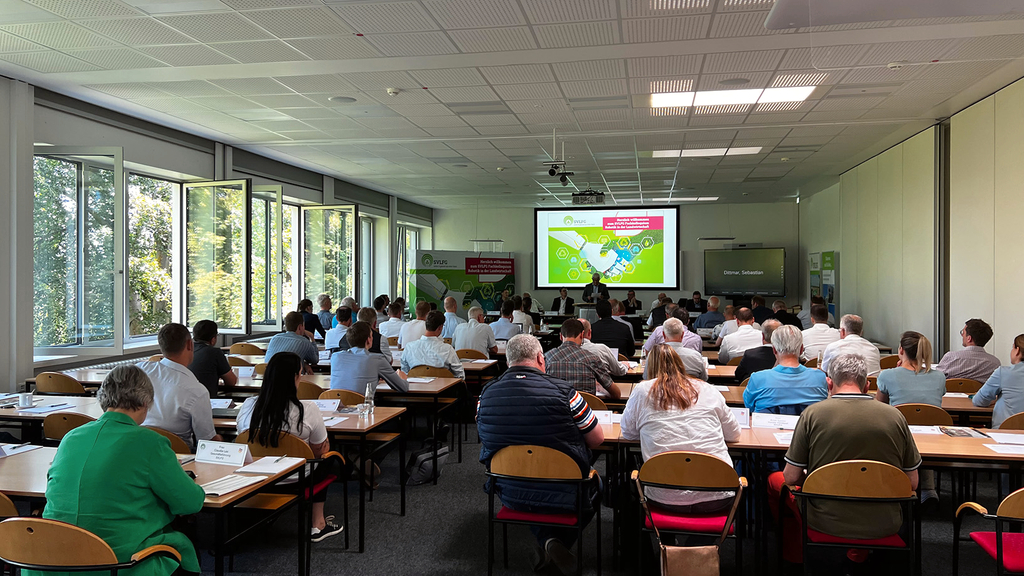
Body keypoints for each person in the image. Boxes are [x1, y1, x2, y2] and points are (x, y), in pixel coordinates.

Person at [42, 365, 206, 576]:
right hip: (119, 562)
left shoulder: (71, 438)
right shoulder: (150, 442)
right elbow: (191, 503)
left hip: (52, 559)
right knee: (183, 542)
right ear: (146, 402)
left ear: (103, 397)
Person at [477, 334, 604, 575]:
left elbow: (485, 436)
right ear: (539, 358)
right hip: (566, 490)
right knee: (598, 485)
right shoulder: (566, 393)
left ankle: (548, 542)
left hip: (508, 488)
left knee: (533, 489)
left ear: (507, 360)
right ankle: (555, 542)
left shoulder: (485, 395)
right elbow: (597, 439)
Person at [771, 354, 920, 557]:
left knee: (775, 480)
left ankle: (795, 557)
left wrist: (818, 479)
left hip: (824, 520)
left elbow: (791, 477)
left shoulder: (813, 415)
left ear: (829, 383)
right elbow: (912, 482)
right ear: (867, 386)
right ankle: (859, 554)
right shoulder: (895, 417)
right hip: (885, 522)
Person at [236, 352, 344, 542]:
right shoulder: (308, 410)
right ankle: (318, 523)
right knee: (328, 459)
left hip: (255, 476)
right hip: (297, 478)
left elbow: (242, 438)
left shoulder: (248, 406)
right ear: (295, 377)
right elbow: (320, 451)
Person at [621, 344, 740, 511]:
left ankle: (664, 537)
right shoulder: (708, 389)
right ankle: (701, 538)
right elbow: (734, 434)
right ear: (680, 365)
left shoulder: (642, 391)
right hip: (718, 492)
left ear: (648, 367)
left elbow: (627, 432)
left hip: (662, 493)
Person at [875, 331, 944, 503]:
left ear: (900, 350)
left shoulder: (887, 375)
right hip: (933, 438)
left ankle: (893, 485)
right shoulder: (940, 377)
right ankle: (929, 489)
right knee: (919, 432)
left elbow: (880, 408)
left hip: (897, 435)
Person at [138, 323, 222, 449]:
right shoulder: (197, 391)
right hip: (177, 457)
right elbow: (206, 442)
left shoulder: (139, 370)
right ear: (190, 344)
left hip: (137, 448)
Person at [743, 325, 826, 414]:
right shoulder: (820, 378)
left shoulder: (757, 379)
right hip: (807, 427)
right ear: (801, 349)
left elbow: (749, 406)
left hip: (767, 427)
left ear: (774, 350)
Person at [544, 319, 620, 399]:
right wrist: (601, 388)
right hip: (586, 409)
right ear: (582, 335)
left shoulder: (547, 358)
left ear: (560, 336)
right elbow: (616, 394)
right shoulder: (592, 359)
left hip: (557, 410)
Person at [331, 322, 408, 393]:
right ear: (368, 340)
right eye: (371, 336)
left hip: (334, 404)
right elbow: (403, 387)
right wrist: (403, 378)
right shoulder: (377, 359)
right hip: (362, 406)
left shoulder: (335, 357)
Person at [974, 334, 1024, 429]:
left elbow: (978, 401)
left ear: (1017, 351)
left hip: (1005, 433)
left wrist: (994, 400)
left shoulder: (1003, 373)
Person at [400, 310, 465, 379]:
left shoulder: (409, 347)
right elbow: (460, 375)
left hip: (416, 388)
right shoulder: (447, 349)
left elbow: (404, 373)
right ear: (440, 327)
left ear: (426, 324)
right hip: (443, 388)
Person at [936, 318, 1001, 382]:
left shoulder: (951, 357)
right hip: (979, 393)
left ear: (969, 338)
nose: (962, 335)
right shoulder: (995, 363)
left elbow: (935, 379)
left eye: (963, 333)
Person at [188, 319, 236, 398]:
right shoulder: (214, 352)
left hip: (186, 399)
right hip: (207, 400)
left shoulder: (186, 350)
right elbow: (231, 381)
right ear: (213, 339)